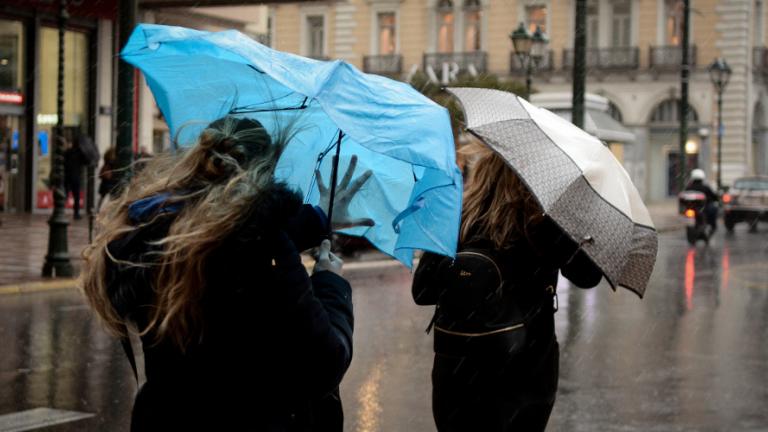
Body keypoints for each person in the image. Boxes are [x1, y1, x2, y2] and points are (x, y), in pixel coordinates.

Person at [81, 116, 371, 430]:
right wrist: (330, 282)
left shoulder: (158, 231)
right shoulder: (259, 251)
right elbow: (324, 363)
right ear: (264, 172)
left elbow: (230, 232)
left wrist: (319, 218)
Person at [412, 144, 603, 432]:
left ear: (483, 173)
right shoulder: (542, 223)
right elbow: (589, 276)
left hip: (456, 374)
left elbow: (422, 291)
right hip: (523, 374)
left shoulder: (457, 218)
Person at [63, 130, 84, 220]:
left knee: (66, 194)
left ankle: (62, 211)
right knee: (76, 196)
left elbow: (64, 163)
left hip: (68, 176)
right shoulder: (80, 153)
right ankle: (76, 213)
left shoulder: (68, 152)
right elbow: (85, 163)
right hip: (75, 176)